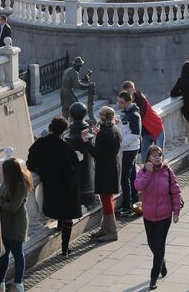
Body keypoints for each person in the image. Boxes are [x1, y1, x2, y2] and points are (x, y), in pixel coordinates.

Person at [26, 117, 82, 257]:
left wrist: (43, 170)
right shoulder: (66, 146)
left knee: (56, 208)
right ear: (63, 131)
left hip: (51, 184)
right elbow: (76, 165)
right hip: (67, 184)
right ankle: (65, 248)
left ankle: (58, 227)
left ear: (50, 128)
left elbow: (30, 164)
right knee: (67, 215)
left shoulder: (40, 144)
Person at [134, 146, 182, 290]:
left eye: (159, 155)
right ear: (148, 157)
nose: (157, 158)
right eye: (154, 155)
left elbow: (176, 191)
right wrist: (148, 173)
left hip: (164, 215)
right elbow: (138, 186)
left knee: (159, 245)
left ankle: (153, 278)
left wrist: (176, 212)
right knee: (152, 243)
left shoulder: (167, 171)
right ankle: (162, 262)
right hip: (148, 215)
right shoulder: (142, 172)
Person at [82, 106, 122, 242]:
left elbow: (96, 154)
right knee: (108, 198)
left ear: (102, 117)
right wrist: (99, 134)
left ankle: (112, 231)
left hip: (105, 169)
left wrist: (86, 141)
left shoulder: (104, 133)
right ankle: (105, 228)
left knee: (106, 199)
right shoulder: (114, 129)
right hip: (113, 167)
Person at [0, 158, 33, 292]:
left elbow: (13, 207)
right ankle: (0, 283)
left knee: (18, 254)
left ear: (10, 172)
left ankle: (18, 284)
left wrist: (0, 202)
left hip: (17, 224)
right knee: (3, 255)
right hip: (5, 224)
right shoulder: (8, 180)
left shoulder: (22, 184)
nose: (2, 174)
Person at [122, 81, 164, 164]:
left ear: (134, 90)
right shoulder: (129, 102)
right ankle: (146, 176)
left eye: (129, 92)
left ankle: (161, 175)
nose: (128, 94)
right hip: (146, 132)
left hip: (157, 128)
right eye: (125, 93)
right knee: (144, 158)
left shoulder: (141, 99)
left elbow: (139, 115)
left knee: (159, 156)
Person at [116, 91, 142, 216]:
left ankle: (127, 205)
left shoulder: (134, 114)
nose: (118, 104)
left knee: (124, 177)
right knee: (131, 176)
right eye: (118, 102)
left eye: (121, 102)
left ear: (128, 102)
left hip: (130, 149)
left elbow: (136, 134)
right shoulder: (129, 113)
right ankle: (134, 201)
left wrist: (120, 143)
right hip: (129, 148)